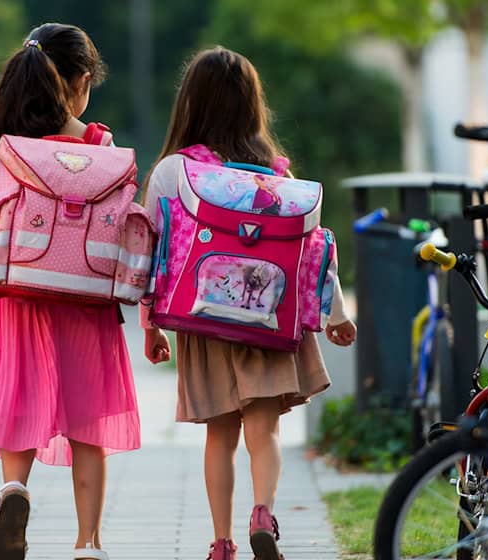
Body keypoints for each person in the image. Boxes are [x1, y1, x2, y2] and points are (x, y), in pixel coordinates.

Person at [140, 47, 357, 560]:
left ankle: (221, 543)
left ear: (189, 104)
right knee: (264, 431)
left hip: (202, 319)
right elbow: (313, 252)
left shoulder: (174, 172)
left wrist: (152, 324)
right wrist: (337, 312)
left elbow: (153, 252)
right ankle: (263, 511)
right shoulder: (277, 176)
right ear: (252, 106)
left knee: (220, 436)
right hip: (268, 318)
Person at [0, 24, 139, 560]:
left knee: (18, 400)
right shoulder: (100, 144)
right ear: (78, 82)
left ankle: (14, 489)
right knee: (88, 418)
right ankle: (88, 541)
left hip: (16, 294)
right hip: (85, 297)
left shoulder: (0, 142)